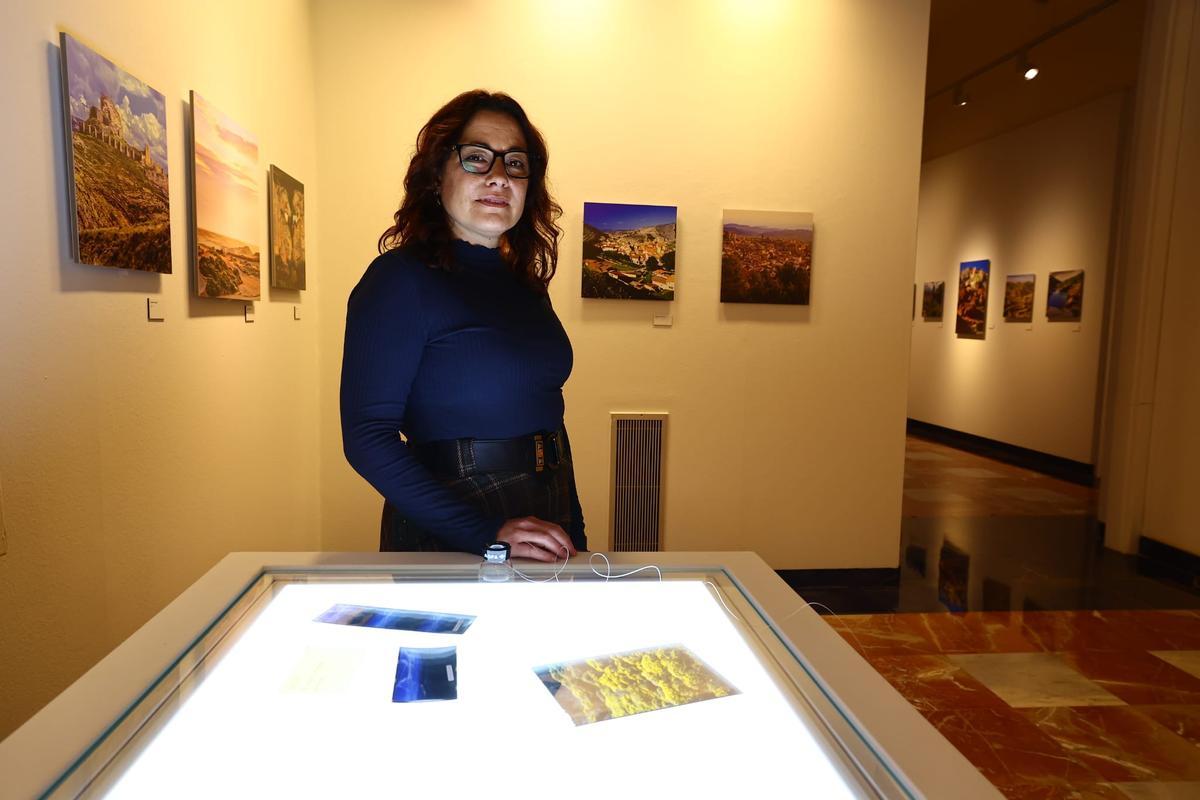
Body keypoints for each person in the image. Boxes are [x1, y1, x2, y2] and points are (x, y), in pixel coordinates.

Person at [340, 90, 584, 564]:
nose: (498, 177)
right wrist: (486, 535)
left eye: (515, 163)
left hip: (544, 511)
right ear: (436, 176)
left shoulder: (525, 283)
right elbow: (367, 437)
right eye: (476, 158)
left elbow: (548, 419)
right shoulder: (399, 280)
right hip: (451, 522)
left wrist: (575, 528)